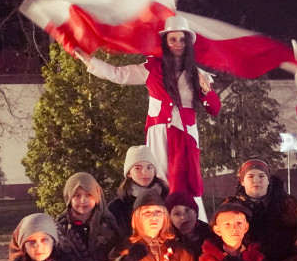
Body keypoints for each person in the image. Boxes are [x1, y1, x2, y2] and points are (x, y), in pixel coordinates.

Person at [76, 14, 221, 203]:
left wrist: (205, 89)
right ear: (165, 42)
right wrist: (90, 60)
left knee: (183, 184)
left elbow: (215, 109)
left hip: (184, 135)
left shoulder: (197, 73)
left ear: (188, 44)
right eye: (173, 39)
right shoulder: (151, 69)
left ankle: (187, 222)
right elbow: (118, 74)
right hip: (158, 132)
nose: (178, 43)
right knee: (158, 180)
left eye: (182, 39)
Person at [223, 159, 297, 261]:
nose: (256, 180)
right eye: (250, 176)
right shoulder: (231, 206)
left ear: (268, 180)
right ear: (242, 181)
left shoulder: (286, 203)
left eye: (261, 176)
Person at [55, 172, 122, 261]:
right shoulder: (61, 230)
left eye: (89, 195)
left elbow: (117, 256)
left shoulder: (109, 225)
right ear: (69, 198)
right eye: (77, 195)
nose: (83, 200)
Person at [108, 145, 170, 238]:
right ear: (129, 173)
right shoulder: (117, 207)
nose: (145, 172)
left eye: (149, 167)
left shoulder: (167, 199)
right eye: (138, 168)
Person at [166, 191, 210, 257]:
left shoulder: (211, 234)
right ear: (170, 218)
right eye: (177, 214)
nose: (183, 217)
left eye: (187, 210)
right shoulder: (166, 240)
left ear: (195, 212)